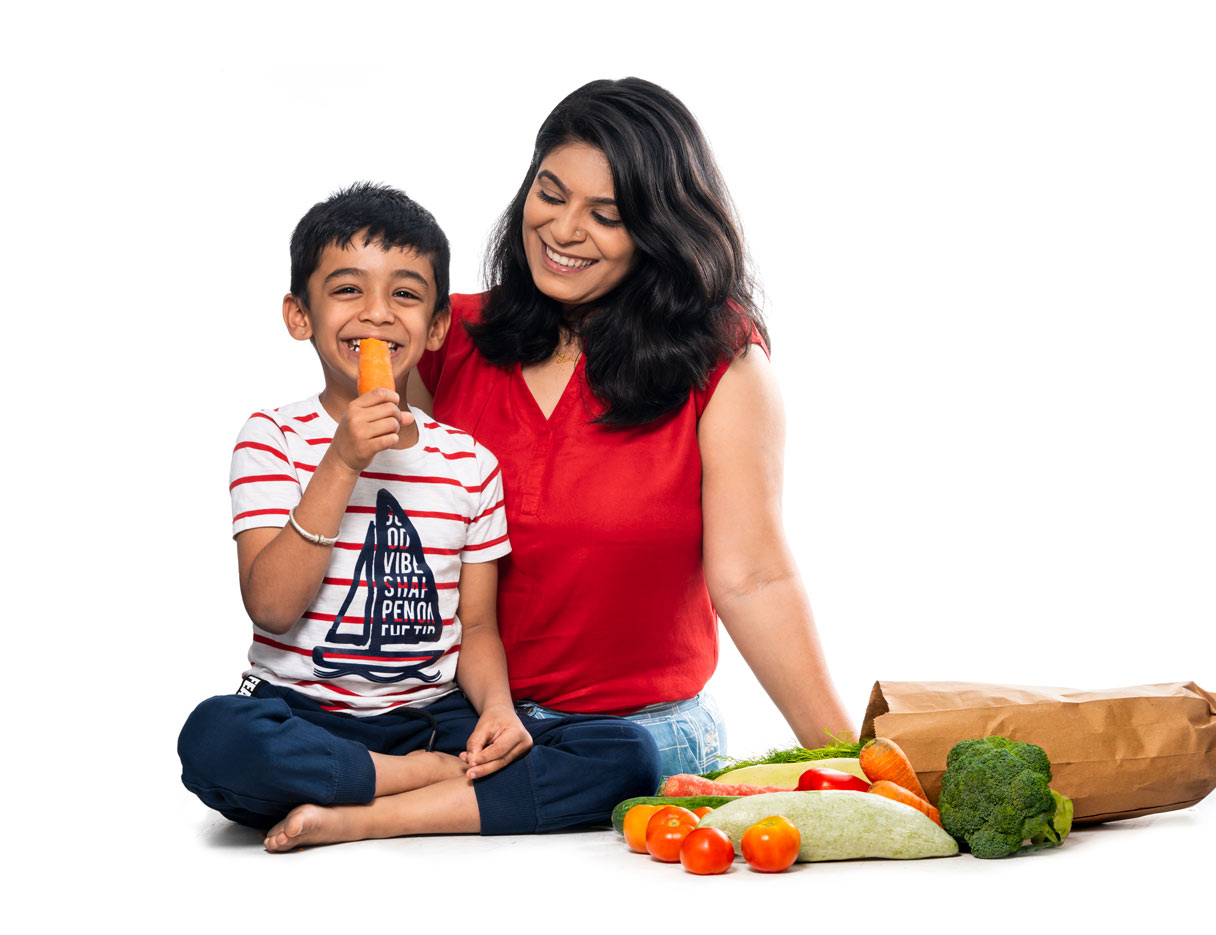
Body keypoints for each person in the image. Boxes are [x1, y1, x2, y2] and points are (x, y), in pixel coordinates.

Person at [178, 183, 660, 851]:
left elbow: (477, 625)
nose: (377, 314)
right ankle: (419, 783)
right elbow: (272, 608)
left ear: (436, 328)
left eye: (404, 294)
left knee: (628, 754)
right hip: (301, 715)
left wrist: (498, 711)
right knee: (215, 738)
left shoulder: (468, 463)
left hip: (431, 720)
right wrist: (341, 461)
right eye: (348, 289)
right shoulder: (272, 438)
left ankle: (361, 813)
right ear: (299, 315)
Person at [411, 77, 855, 777]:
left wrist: (850, 762)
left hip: (636, 737)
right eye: (551, 194)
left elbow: (754, 578)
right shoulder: (451, 334)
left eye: (606, 215)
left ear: (658, 230)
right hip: (463, 722)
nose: (563, 230)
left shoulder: (722, 363)